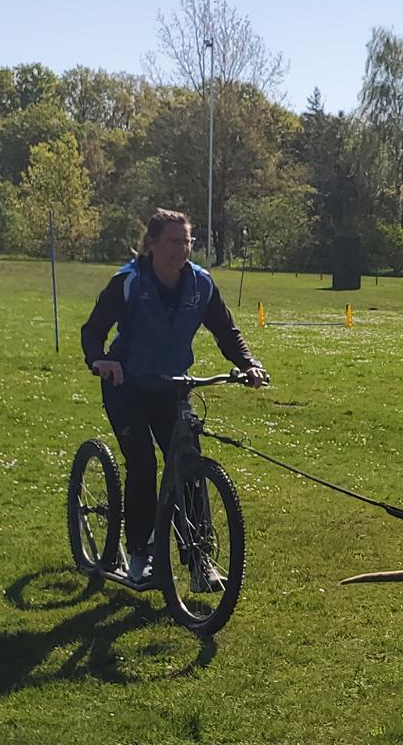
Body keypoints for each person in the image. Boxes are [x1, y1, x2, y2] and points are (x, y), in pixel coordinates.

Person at [80, 208, 267, 582]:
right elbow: (93, 329)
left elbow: (226, 331)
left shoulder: (201, 285)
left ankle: (199, 559)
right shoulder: (129, 281)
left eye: (187, 241)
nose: (182, 249)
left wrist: (248, 363)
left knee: (189, 468)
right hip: (127, 386)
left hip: (172, 387)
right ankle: (140, 554)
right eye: (173, 241)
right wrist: (101, 361)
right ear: (151, 244)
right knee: (143, 465)